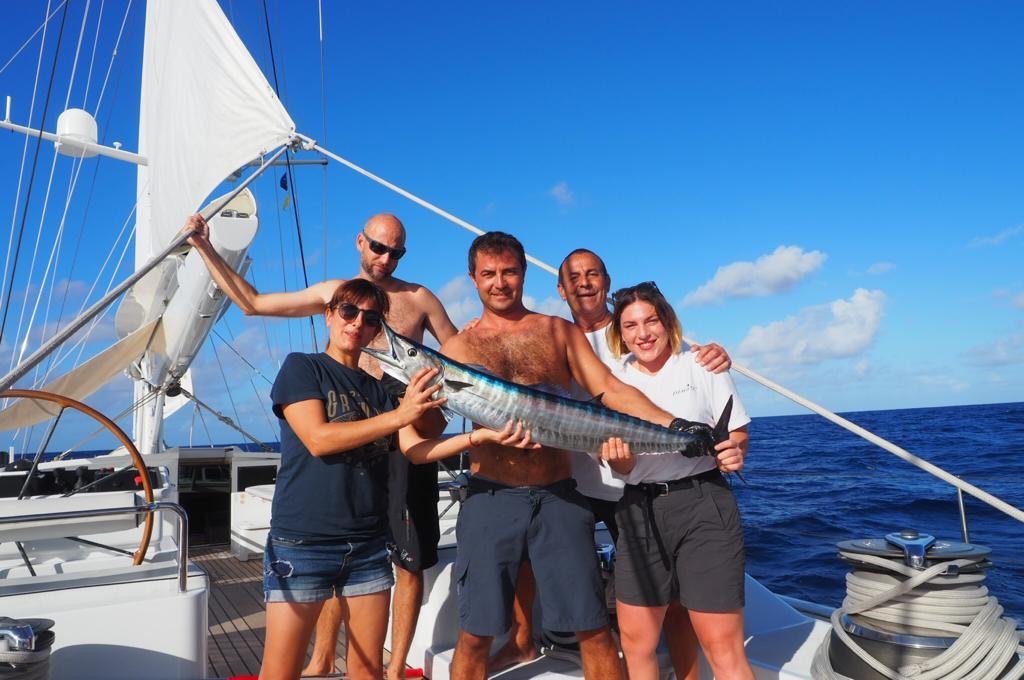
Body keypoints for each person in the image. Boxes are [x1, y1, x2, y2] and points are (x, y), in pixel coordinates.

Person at [184, 212, 457, 679]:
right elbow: (252, 302)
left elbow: (460, 357)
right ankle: (323, 657)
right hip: (351, 429)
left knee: (408, 559)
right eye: (378, 247)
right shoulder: (336, 293)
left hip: (400, 432)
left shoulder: (419, 299)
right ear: (359, 242)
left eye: (396, 252)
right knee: (339, 553)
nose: (386, 258)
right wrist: (204, 248)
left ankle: (392, 671)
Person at [401, 231, 682, 680]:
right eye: (488, 274)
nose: (500, 283)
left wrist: (675, 427)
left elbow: (611, 390)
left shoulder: (556, 330)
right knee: (474, 634)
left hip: (559, 496)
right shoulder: (457, 349)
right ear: (472, 278)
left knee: (592, 627)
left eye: (509, 272)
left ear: (524, 274)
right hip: (491, 496)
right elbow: (428, 432)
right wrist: (420, 401)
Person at [488, 248, 733, 674]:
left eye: (593, 274)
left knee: (668, 594)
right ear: (560, 289)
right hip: (577, 485)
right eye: (574, 277)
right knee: (577, 586)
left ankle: (685, 671)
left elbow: (679, 364)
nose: (584, 283)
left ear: (606, 280)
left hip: (636, 487)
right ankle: (527, 641)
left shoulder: (632, 332)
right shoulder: (550, 334)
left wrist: (713, 356)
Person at [260, 279, 447, 680]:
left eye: (371, 318)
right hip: (303, 543)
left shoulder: (380, 390)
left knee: (368, 671)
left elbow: (415, 447)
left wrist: (479, 436)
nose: (357, 323)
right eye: (348, 312)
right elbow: (318, 439)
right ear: (329, 314)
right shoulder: (302, 367)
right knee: (280, 672)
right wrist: (400, 415)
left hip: (366, 546)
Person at [601, 281, 754, 680]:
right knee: (636, 643)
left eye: (651, 320)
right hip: (637, 508)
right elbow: (619, 466)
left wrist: (735, 451)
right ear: (620, 332)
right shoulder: (613, 381)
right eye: (631, 325)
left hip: (703, 503)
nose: (643, 333)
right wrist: (620, 462)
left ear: (668, 322)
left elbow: (736, 433)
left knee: (722, 647)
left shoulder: (701, 363)